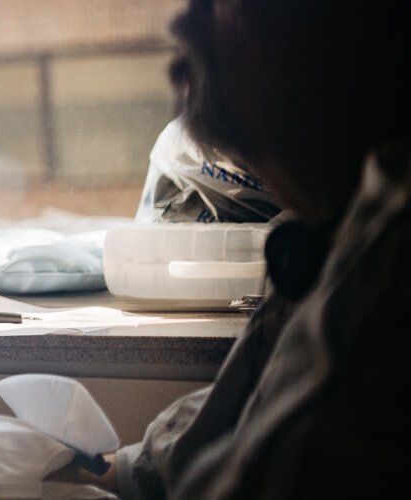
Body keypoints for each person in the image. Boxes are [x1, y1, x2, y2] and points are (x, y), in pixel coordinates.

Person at [93, 0, 410, 497]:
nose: (184, 28)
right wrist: (91, 469)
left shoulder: (388, 287)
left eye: (221, 6)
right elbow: (244, 423)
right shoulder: (330, 228)